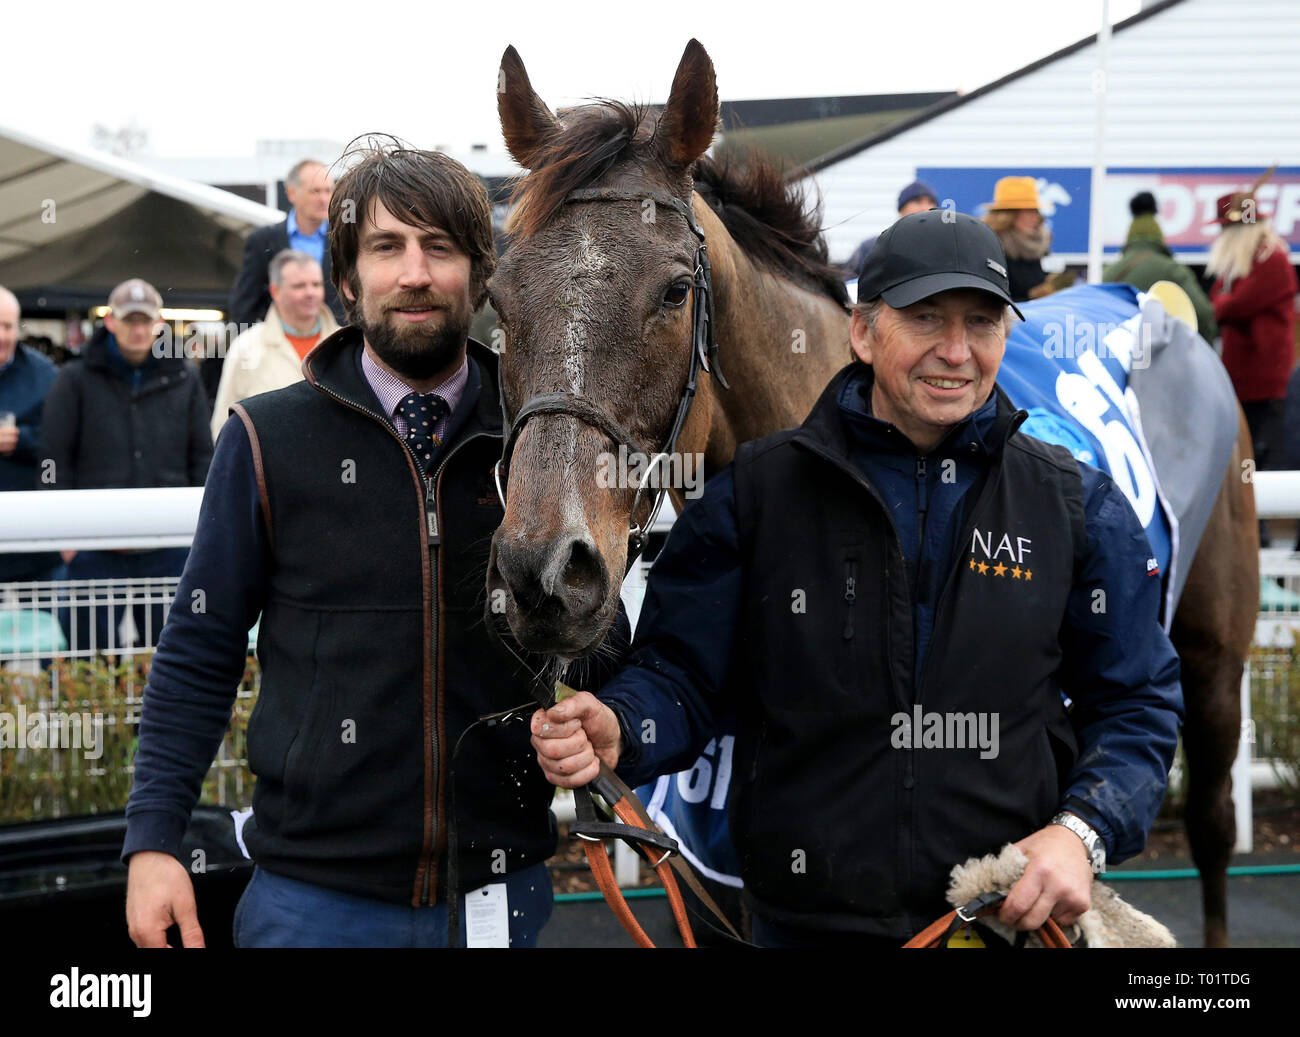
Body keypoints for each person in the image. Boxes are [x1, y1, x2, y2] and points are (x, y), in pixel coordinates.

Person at [531, 211, 1184, 947]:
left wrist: (1081, 832)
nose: (957, 351)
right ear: (864, 332)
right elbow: (681, 677)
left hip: (1000, 924)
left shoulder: (1076, 505)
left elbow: (1137, 701)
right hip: (800, 925)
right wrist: (621, 725)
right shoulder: (753, 495)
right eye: (926, 318)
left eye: (982, 322)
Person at [122, 141, 626, 949]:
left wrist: (601, 703)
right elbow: (199, 648)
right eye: (387, 247)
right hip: (311, 901)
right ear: (349, 279)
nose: (415, 274)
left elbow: (604, 643)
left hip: (497, 892)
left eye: (441, 248)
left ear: (480, 273)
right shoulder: (266, 438)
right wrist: (153, 839)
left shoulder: (541, 436)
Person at [40, 279, 212, 652]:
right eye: (128, 320)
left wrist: (201, 532)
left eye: (144, 321)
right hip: (93, 548)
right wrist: (67, 540)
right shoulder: (74, 379)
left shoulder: (185, 377)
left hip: (169, 546)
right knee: (90, 660)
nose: (137, 330)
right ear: (110, 322)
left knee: (169, 657)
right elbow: (53, 456)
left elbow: (202, 457)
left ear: (158, 323)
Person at [1207, 188, 1298, 514]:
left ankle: (1260, 522)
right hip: (1243, 378)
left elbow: (1230, 306)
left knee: (1259, 454)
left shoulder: (1269, 260)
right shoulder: (1245, 264)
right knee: (1247, 454)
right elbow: (1221, 300)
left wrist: (1224, 302)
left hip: (1263, 380)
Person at [209, 249, 340, 441]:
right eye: (299, 286)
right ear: (275, 291)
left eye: (316, 284)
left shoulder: (345, 345)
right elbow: (223, 426)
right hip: (267, 470)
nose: (311, 293)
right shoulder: (246, 348)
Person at [228, 159, 345, 329]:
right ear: (291, 193)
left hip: (335, 346)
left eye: (328, 191)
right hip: (279, 347)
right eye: (315, 191)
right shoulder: (262, 241)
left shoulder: (344, 240)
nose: (323, 198)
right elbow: (244, 303)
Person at [0, 285, 61, 584]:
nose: (2, 336)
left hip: (34, 537)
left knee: (42, 627)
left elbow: (63, 439)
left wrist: (21, 440)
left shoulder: (45, 374)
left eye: (8, 326)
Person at [1103, 191, 1216, 339]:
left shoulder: (1109, 273)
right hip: (1162, 356)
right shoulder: (1171, 270)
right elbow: (1202, 314)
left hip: (1121, 355)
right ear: (1159, 238)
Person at [843, 179, 939, 278]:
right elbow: (848, 283)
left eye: (930, 202)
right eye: (917, 201)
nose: (925, 208)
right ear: (901, 209)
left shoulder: (942, 247)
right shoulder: (873, 247)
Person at [981, 175, 1051, 302]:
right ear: (1009, 215)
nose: (1037, 217)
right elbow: (989, 296)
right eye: (1029, 211)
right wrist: (1031, 297)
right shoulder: (989, 247)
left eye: (1036, 211)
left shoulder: (1035, 246)